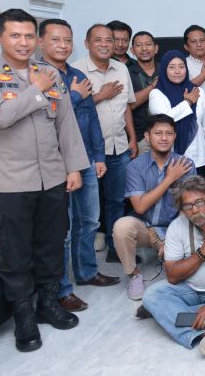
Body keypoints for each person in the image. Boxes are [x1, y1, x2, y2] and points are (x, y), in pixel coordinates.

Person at [0, 9, 89, 352]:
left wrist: (74, 167)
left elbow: (66, 124)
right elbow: (0, 116)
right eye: (15, 35)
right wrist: (35, 90)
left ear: (37, 39)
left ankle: (47, 304)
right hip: (10, 183)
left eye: (29, 35)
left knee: (51, 247)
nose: (23, 42)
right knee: (15, 254)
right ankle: (24, 317)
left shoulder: (49, 73)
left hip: (52, 178)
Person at [38, 19, 119, 313]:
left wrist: (99, 156)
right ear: (40, 42)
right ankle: (62, 289)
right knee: (64, 229)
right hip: (56, 163)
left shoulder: (77, 75)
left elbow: (91, 118)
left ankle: (86, 272)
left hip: (85, 159)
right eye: (56, 39)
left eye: (67, 40)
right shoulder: (36, 77)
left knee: (90, 221)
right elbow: (47, 114)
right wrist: (74, 95)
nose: (63, 46)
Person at [141, 176, 205, 357]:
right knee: (151, 295)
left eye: (199, 202)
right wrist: (203, 252)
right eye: (188, 206)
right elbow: (172, 276)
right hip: (186, 288)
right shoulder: (176, 227)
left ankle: (171, 316)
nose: (195, 210)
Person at [72, 24, 138, 263]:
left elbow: (126, 106)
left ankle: (115, 248)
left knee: (117, 202)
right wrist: (101, 95)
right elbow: (68, 110)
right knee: (87, 209)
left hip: (119, 147)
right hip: (87, 151)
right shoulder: (76, 71)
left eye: (109, 40)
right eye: (98, 40)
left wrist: (132, 137)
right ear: (87, 43)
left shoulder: (121, 68)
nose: (105, 44)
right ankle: (84, 260)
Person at [113, 114, 196, 300]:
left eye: (169, 133)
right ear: (147, 136)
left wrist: (171, 237)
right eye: (158, 133)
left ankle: (171, 253)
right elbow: (140, 207)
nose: (164, 138)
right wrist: (170, 178)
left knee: (180, 278)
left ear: (175, 136)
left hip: (176, 227)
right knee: (122, 226)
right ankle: (134, 274)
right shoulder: (135, 166)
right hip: (146, 227)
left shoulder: (185, 164)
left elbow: (189, 208)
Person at [149, 50, 205, 173]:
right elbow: (165, 120)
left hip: (198, 158)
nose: (177, 71)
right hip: (169, 160)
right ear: (164, 70)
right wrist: (188, 102)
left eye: (181, 66)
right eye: (172, 67)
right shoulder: (156, 94)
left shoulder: (198, 92)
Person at [128, 30, 159, 154]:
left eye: (148, 44)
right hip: (140, 137)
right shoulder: (126, 72)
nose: (144, 48)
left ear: (156, 48)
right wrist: (154, 85)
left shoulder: (167, 69)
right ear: (132, 51)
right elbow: (131, 103)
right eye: (139, 45)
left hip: (167, 134)